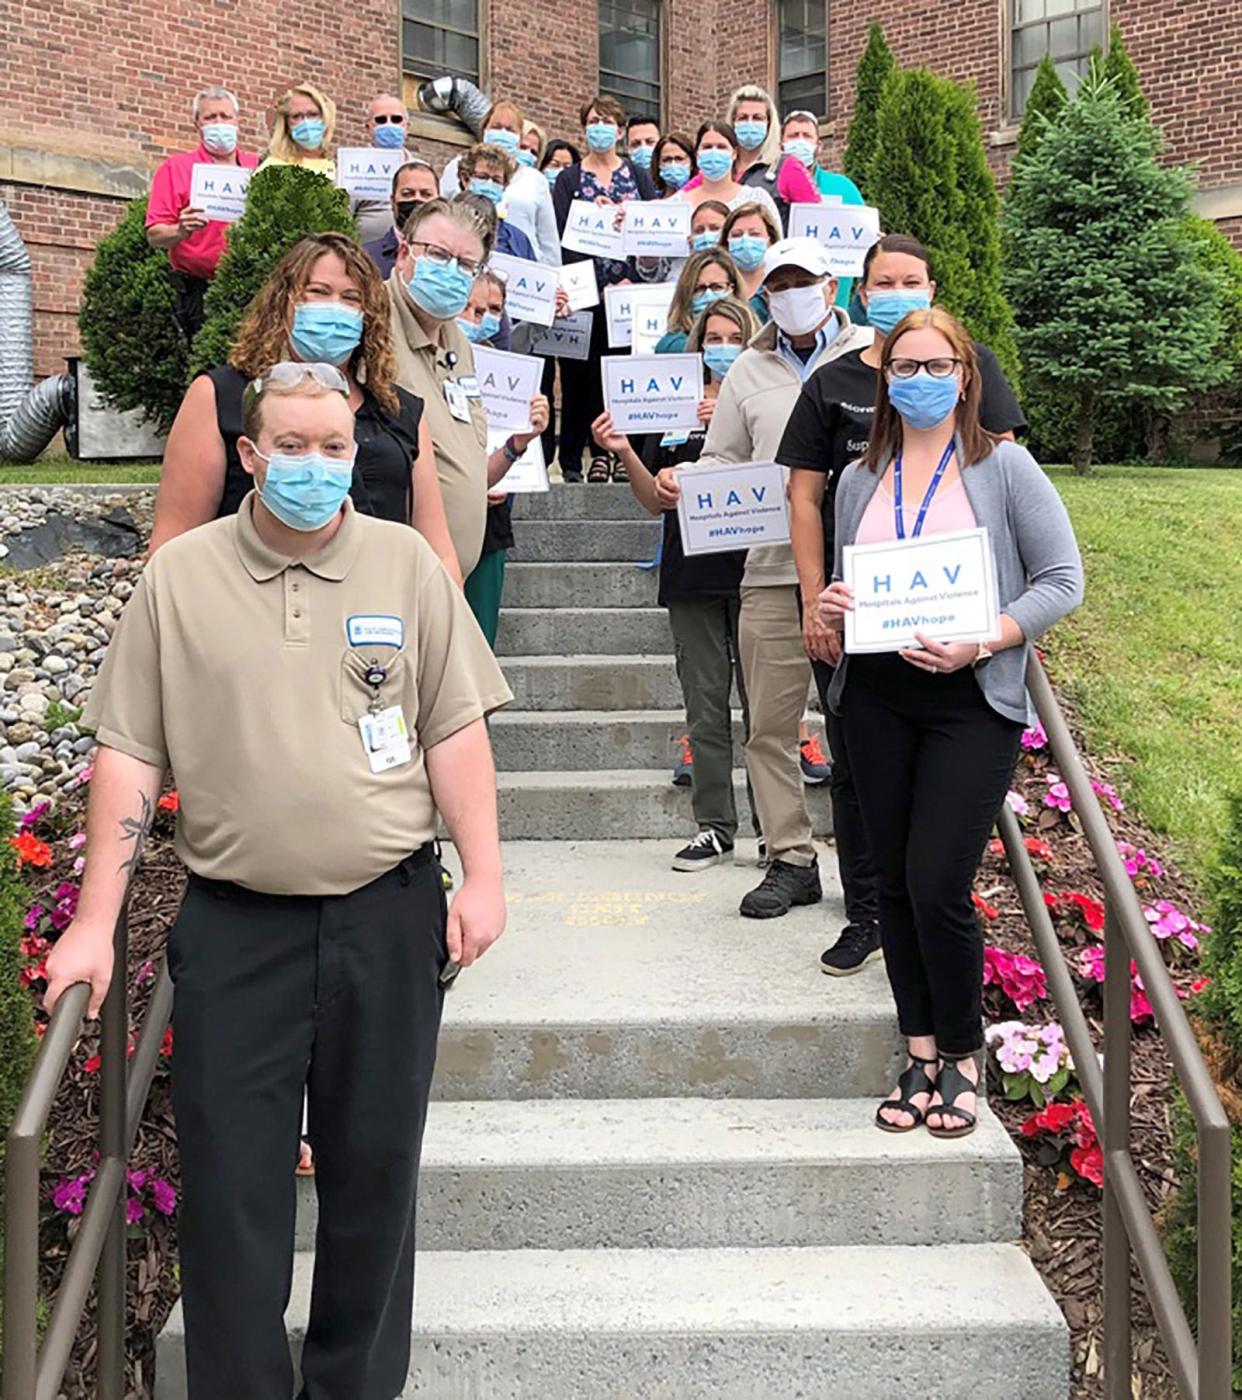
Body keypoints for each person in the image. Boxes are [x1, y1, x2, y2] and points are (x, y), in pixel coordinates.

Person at [45, 364, 512, 1400]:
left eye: (334, 447)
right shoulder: (182, 576)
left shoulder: (405, 565)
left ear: (358, 451)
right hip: (235, 925)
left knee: (375, 1178)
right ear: (249, 454)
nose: (314, 466)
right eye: (291, 447)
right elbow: (130, 755)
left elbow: (454, 727)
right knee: (232, 1191)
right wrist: (93, 921)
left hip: (387, 918)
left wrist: (483, 873)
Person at [816, 306, 1082, 1136]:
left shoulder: (1004, 469)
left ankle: (964, 1058)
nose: (921, 382)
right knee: (891, 882)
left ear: (965, 377)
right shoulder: (858, 479)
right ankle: (919, 1051)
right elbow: (848, 581)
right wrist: (832, 602)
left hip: (971, 703)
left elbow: (1061, 580)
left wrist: (986, 639)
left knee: (939, 881)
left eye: (937, 368)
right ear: (884, 381)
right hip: (877, 701)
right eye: (905, 369)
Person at [778, 231, 1026, 972]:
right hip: (860, 623)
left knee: (935, 848)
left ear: (932, 290)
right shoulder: (829, 384)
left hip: (960, 638)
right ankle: (866, 917)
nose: (897, 294)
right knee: (857, 777)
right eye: (883, 283)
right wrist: (813, 601)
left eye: (910, 281)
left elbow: (1005, 484)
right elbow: (803, 495)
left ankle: (925, 943)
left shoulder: (973, 370)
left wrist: (999, 623)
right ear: (862, 292)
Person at [653, 237, 871, 916]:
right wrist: (686, 479)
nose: (791, 294)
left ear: (831, 287)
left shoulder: (871, 352)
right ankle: (791, 857)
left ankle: (869, 868)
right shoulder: (749, 366)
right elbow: (726, 457)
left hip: (861, 569)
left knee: (861, 726)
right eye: (778, 285)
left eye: (802, 281)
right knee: (770, 726)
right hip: (772, 567)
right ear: (765, 296)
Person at [151, 232, 458, 579]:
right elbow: (172, 545)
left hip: (376, 611)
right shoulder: (219, 397)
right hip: (246, 603)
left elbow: (439, 553)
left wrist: (447, 623)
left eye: (351, 298)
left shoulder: (400, 412)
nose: (334, 308)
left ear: (367, 315)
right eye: (319, 292)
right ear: (285, 301)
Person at [592, 295, 760, 870]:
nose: (720, 348)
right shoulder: (669, 410)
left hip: (755, 572)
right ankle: (715, 825)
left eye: (731, 337)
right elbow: (647, 500)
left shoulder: (764, 399)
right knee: (704, 704)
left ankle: (774, 828)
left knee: (762, 707)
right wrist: (624, 454)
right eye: (711, 338)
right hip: (689, 575)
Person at [389, 197, 546, 575]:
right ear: (403, 254)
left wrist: (514, 446)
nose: (452, 272)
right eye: (439, 255)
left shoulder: (458, 342)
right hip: (393, 577)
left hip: (449, 577)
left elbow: (463, 468)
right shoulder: (374, 330)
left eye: (465, 264)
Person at [551, 94, 657, 482]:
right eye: (594, 120)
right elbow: (560, 236)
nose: (601, 127)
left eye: (608, 121)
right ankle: (591, 455)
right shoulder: (569, 178)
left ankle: (625, 451)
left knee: (624, 373)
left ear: (620, 129)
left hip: (628, 294)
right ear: (584, 128)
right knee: (584, 377)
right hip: (585, 296)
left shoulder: (638, 177)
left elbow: (651, 231)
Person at [145, 86, 260, 341]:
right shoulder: (176, 168)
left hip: (256, 286)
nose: (219, 123)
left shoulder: (259, 167)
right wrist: (180, 230)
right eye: (210, 118)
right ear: (197, 123)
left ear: (238, 121)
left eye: (225, 116)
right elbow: (154, 235)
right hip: (200, 291)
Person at [456, 269, 529, 646]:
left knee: (479, 642)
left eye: (491, 310)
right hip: (438, 512)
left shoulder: (509, 369)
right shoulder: (425, 363)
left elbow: (515, 446)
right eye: (470, 307)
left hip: (491, 516)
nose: (479, 318)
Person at [681, 86, 819, 232]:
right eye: (743, 118)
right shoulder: (716, 167)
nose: (750, 123)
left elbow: (815, 218)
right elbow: (679, 202)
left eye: (757, 118)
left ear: (769, 123)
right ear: (732, 122)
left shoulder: (788, 166)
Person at [443, 99, 560, 264]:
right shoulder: (456, 166)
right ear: (484, 130)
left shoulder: (535, 180)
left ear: (519, 138)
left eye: (510, 129)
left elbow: (549, 243)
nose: (503, 133)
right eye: (497, 127)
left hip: (521, 264)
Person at [779, 109, 865, 304]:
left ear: (818, 147)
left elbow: (864, 241)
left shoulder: (843, 188)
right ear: (781, 145)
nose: (800, 141)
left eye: (806, 136)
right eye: (793, 136)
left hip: (835, 301)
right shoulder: (769, 187)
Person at [678, 121, 781, 230]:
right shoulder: (678, 203)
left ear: (734, 153)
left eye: (721, 147)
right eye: (707, 147)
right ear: (697, 154)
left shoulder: (757, 198)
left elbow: (778, 242)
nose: (714, 152)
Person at [655, 248, 742, 354]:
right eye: (699, 289)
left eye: (717, 287)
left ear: (732, 289)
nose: (708, 294)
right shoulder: (672, 346)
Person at [363, 158, 439, 279]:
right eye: (407, 194)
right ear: (392, 201)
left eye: (426, 194)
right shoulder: (365, 258)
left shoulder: (452, 261)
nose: (417, 200)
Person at [720, 201, 781, 322]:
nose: (745, 240)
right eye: (737, 235)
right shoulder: (716, 287)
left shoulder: (780, 288)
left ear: (771, 239)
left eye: (754, 234)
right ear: (726, 242)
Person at [261, 83, 335, 173]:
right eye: (296, 116)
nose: (306, 123)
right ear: (286, 124)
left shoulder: (338, 169)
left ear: (325, 118)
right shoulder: (272, 169)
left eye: (313, 114)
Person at [652, 132, 695, 197]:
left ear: (692, 163)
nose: (673, 165)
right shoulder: (651, 198)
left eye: (679, 159)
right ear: (658, 164)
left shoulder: (701, 198)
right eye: (667, 159)